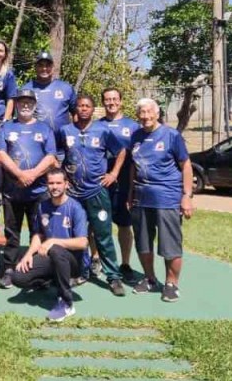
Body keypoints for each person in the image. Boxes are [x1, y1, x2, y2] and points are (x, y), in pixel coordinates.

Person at [57, 95, 126, 297]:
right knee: (76, 236)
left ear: (92, 109)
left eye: (87, 106)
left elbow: (121, 151)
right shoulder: (65, 131)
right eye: (80, 106)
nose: (83, 109)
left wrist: (113, 174)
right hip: (73, 194)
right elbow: (57, 155)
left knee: (103, 235)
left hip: (97, 192)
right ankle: (80, 271)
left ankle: (113, 277)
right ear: (75, 110)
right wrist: (63, 177)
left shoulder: (102, 130)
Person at [129, 98, 194, 302]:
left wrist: (187, 196)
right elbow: (133, 166)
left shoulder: (171, 135)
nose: (146, 116)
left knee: (170, 245)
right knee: (143, 244)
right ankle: (149, 279)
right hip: (141, 199)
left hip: (167, 199)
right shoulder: (136, 136)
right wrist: (131, 193)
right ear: (138, 115)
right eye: (142, 112)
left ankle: (171, 284)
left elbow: (186, 165)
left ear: (157, 114)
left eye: (149, 112)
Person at [0, 89, 58, 288]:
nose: (25, 105)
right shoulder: (7, 127)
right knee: (12, 233)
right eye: (21, 101)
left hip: (39, 192)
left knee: (39, 232)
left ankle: (38, 271)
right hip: (12, 191)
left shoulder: (44, 128)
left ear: (34, 104)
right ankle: (9, 268)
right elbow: (1, 154)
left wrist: (32, 174)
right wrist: (19, 174)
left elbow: (51, 157)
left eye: (29, 102)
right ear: (15, 104)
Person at [12, 169, 88, 322]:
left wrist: (53, 241)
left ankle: (67, 303)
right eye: (51, 183)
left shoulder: (75, 208)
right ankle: (50, 281)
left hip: (73, 262)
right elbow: (39, 235)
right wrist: (28, 255)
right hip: (52, 257)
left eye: (58, 183)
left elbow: (83, 242)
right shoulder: (42, 206)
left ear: (66, 184)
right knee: (18, 277)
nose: (54, 187)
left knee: (55, 249)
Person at [99, 88, 140, 281]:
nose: (111, 102)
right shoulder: (96, 125)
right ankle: (95, 259)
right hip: (100, 182)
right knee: (97, 222)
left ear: (121, 101)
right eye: (107, 99)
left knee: (124, 224)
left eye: (115, 99)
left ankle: (125, 263)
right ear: (103, 103)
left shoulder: (132, 126)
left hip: (124, 183)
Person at [21, 52, 76, 143]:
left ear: (53, 67)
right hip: (36, 144)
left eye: (48, 65)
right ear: (35, 67)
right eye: (41, 65)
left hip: (62, 146)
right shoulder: (26, 89)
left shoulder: (66, 88)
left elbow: (76, 114)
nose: (44, 69)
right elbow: (21, 118)